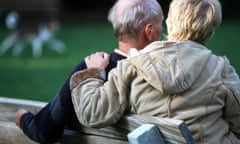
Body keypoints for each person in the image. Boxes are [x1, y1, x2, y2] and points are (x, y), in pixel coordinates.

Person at [70, 0, 240, 143]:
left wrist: (92, 74)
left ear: (170, 21)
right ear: (211, 29)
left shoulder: (132, 64)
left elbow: (92, 112)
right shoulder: (221, 70)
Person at [15, 0, 164, 143]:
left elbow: (44, 130)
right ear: (149, 31)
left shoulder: (92, 70)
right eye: (161, 22)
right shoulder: (167, 72)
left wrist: (24, 119)